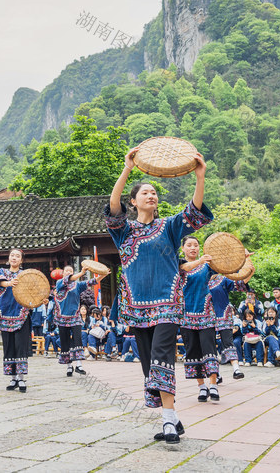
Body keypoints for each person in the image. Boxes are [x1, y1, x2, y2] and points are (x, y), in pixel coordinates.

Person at [105, 148, 212, 445]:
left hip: (167, 304)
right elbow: (113, 207)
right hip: (136, 307)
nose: (151, 196)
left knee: (162, 358)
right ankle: (173, 418)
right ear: (134, 200)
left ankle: (166, 421)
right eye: (145, 193)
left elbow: (194, 209)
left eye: (154, 193)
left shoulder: (170, 227)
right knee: (149, 365)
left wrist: (199, 177)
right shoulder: (124, 232)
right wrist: (127, 169)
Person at [179, 235, 228, 402]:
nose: (193, 248)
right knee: (192, 351)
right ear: (183, 248)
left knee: (209, 350)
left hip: (206, 314)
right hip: (185, 316)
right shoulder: (178, 264)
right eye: (189, 245)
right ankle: (201, 387)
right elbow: (185, 268)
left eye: (196, 245)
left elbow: (225, 267)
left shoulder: (207, 267)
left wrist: (241, 259)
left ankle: (213, 385)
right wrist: (201, 260)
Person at [0, 248, 33, 392]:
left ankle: (21, 379)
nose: (14, 258)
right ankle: (13, 378)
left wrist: (41, 299)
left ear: (21, 260)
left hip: (21, 314)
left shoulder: (25, 275)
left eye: (17, 256)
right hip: (5, 315)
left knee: (21, 346)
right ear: (9, 259)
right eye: (12, 255)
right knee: (8, 347)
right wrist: (9, 283)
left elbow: (33, 291)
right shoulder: (2, 272)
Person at [53, 265, 98, 377]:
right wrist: (82, 272)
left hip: (75, 317)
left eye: (71, 271)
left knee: (78, 339)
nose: (69, 272)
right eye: (67, 271)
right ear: (63, 273)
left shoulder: (77, 285)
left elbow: (92, 281)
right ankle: (69, 366)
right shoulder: (59, 283)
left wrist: (102, 274)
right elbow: (69, 279)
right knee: (65, 342)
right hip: (62, 319)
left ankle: (79, 365)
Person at [209, 274, 247, 380]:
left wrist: (249, 273)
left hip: (223, 314)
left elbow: (240, 285)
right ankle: (216, 374)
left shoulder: (222, 279)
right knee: (209, 346)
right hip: (206, 317)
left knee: (228, 342)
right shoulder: (201, 277)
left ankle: (236, 369)